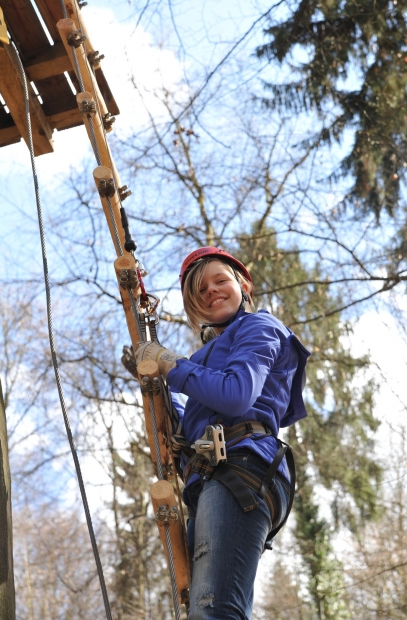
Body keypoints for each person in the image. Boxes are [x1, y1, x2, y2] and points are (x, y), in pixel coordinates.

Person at [132, 247, 310, 620]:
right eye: (200, 290)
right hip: (215, 476)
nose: (211, 291)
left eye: (220, 281)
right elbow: (189, 427)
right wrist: (158, 389)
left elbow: (236, 393)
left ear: (243, 285)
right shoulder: (208, 359)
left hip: (241, 466)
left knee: (214, 612)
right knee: (208, 609)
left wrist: (170, 365)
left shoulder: (260, 327)